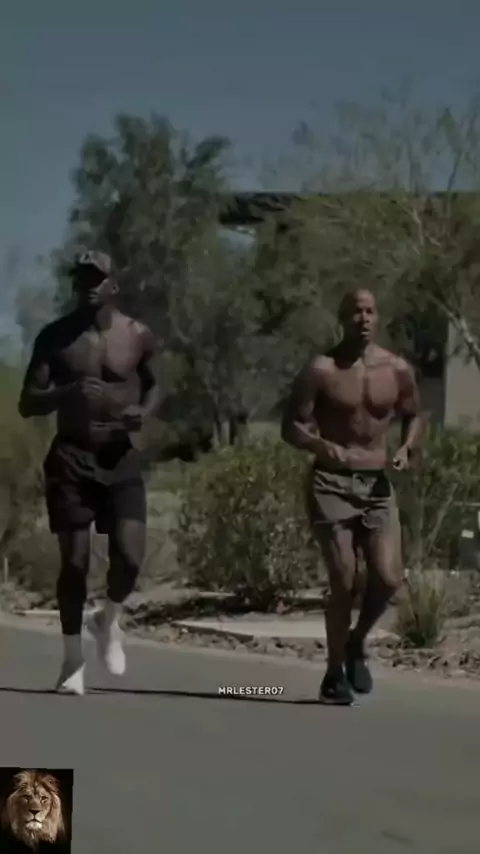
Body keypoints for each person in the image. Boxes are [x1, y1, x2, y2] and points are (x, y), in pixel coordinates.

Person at [18, 251, 159, 695]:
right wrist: (68, 391)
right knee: (75, 563)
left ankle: (108, 618)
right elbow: (28, 402)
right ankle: (72, 659)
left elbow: (155, 386)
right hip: (72, 458)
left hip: (120, 456)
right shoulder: (55, 338)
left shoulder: (137, 335)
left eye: (96, 278)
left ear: (113, 284)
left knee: (130, 557)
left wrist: (142, 412)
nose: (89, 286)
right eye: (82, 278)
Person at [281, 289, 423, 705]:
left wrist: (406, 447)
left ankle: (357, 640)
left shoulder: (396, 369)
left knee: (389, 577)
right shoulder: (321, 370)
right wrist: (320, 446)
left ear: (378, 317)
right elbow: (291, 426)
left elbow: (414, 415)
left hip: (376, 485)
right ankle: (332, 676)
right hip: (330, 484)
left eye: (370, 311)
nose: (363, 318)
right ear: (342, 318)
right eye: (355, 312)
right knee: (343, 579)